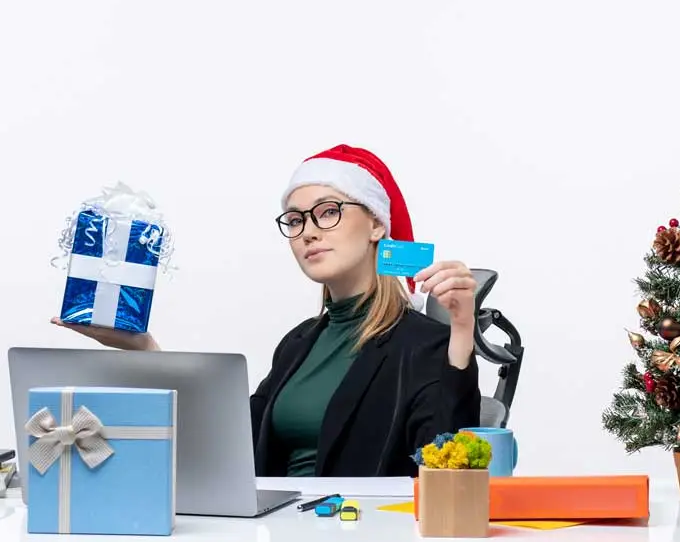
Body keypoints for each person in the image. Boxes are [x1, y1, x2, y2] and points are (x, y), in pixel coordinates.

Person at [52, 144, 482, 477]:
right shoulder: (298, 343)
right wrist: (143, 348)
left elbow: (446, 468)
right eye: (295, 220)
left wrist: (461, 331)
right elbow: (233, 438)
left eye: (328, 212)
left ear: (376, 225)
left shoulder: (424, 343)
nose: (308, 232)